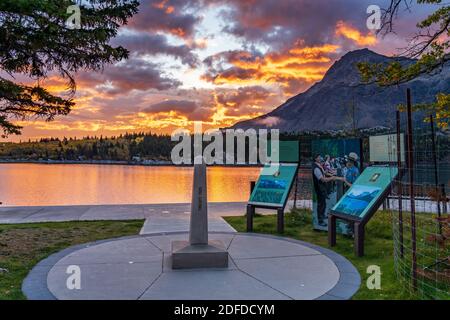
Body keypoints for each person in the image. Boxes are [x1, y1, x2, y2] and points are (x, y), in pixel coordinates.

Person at [312, 154, 344, 227]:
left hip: (322, 188)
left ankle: (322, 215)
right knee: (321, 204)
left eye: (320, 156)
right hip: (319, 188)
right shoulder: (316, 168)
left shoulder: (318, 165)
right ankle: (320, 220)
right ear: (315, 158)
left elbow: (324, 173)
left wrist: (331, 175)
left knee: (323, 203)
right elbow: (322, 179)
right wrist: (332, 178)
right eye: (319, 157)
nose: (320, 158)